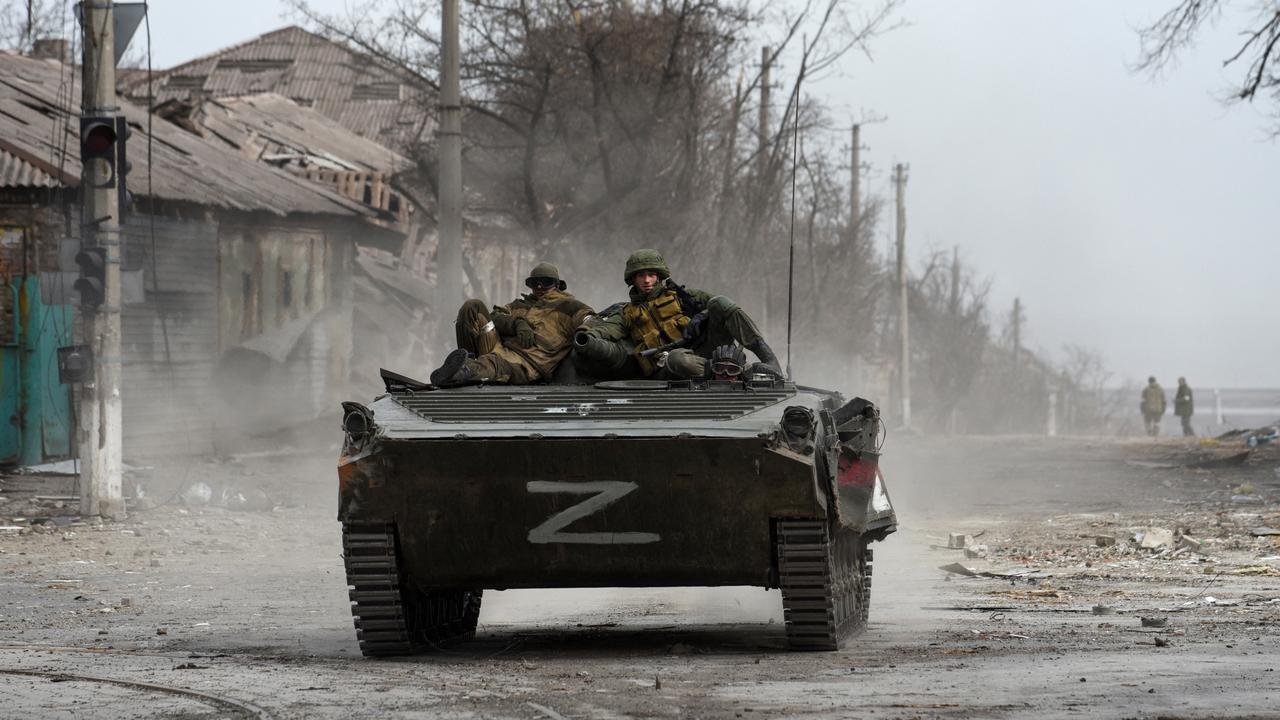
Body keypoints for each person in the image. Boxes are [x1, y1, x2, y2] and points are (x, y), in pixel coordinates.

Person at [576, 249, 781, 380]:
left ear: (659, 276)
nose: (646, 280)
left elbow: (720, 306)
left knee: (720, 303)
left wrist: (702, 314)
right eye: (641, 275)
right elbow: (606, 329)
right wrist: (588, 335)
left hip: (707, 350)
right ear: (633, 279)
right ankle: (740, 372)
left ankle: (769, 361)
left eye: (651, 274)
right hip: (673, 367)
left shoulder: (683, 296)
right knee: (676, 359)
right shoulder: (626, 314)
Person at [429, 262, 593, 387]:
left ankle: (463, 371)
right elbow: (496, 316)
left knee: (493, 362)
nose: (539, 286)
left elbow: (590, 320)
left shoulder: (569, 306)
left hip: (527, 365)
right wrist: (517, 323)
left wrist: (588, 335)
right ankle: (466, 361)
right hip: (498, 347)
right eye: (534, 282)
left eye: (546, 282)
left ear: (557, 285)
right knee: (472, 307)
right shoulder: (519, 305)